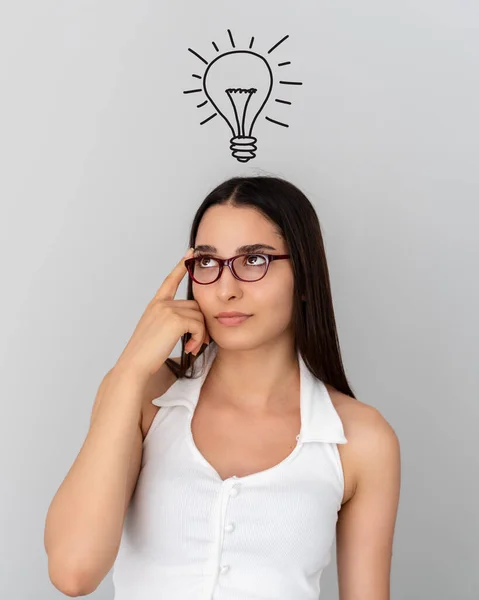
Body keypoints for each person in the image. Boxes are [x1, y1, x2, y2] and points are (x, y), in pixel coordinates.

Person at [44, 176, 401, 599]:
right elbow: (73, 573)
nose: (226, 290)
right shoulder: (143, 396)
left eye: (254, 260)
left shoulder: (360, 440)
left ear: (305, 277)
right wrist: (131, 364)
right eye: (208, 263)